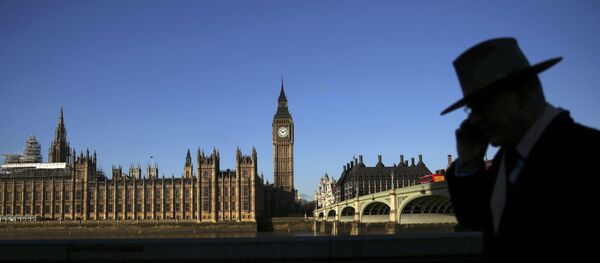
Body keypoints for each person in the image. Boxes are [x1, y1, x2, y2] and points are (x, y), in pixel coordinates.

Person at [441, 37, 600, 262]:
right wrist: (468, 163)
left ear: (523, 93)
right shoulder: (505, 160)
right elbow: (474, 219)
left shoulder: (588, 153)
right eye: (471, 110)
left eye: (484, 106)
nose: (475, 120)